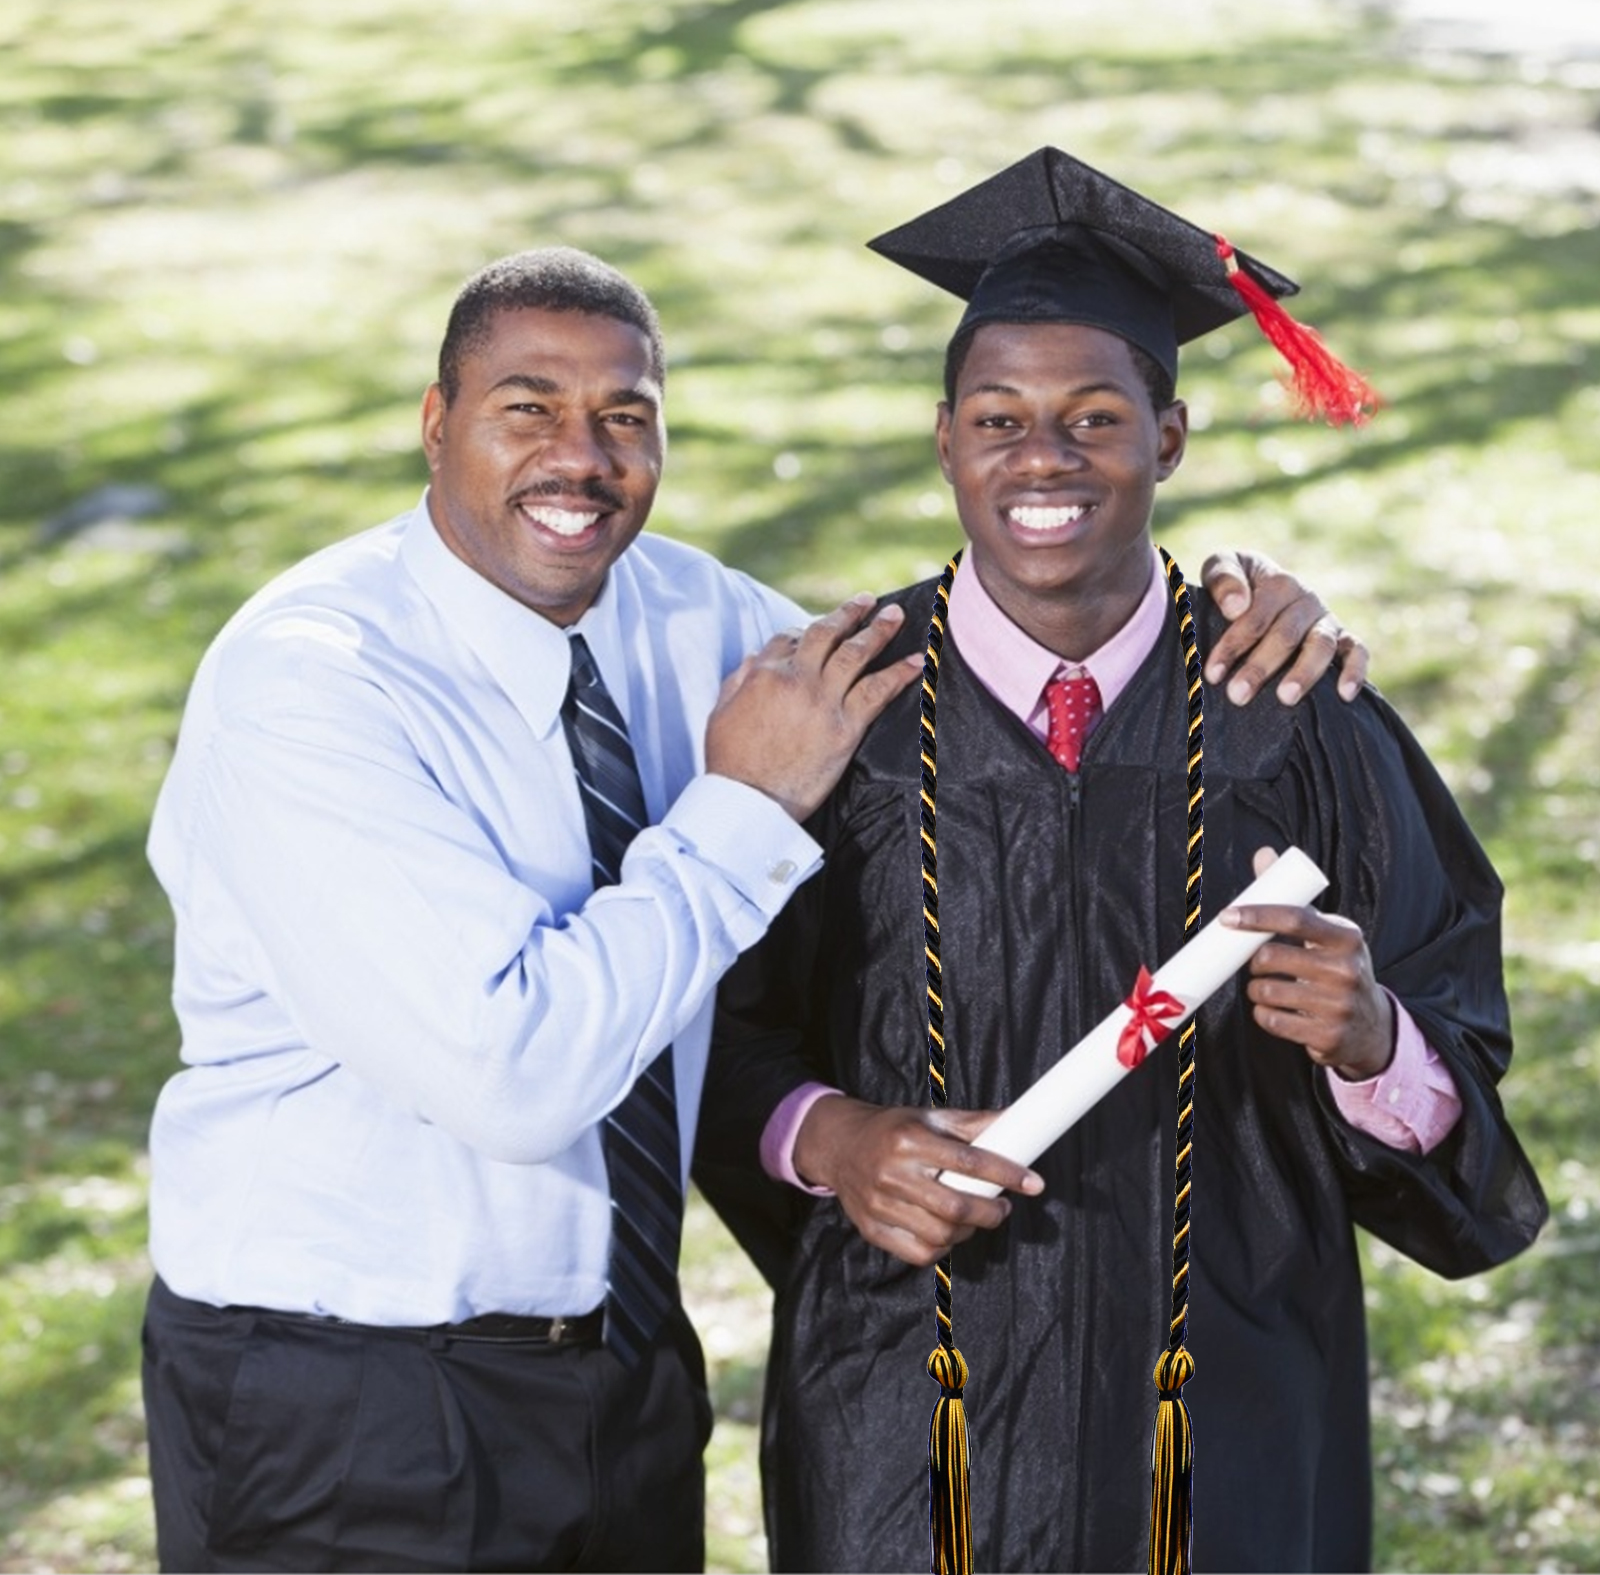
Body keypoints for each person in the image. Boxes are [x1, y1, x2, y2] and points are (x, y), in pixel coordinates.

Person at [141, 242, 1368, 1573]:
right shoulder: (311, 684)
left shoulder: (692, 617)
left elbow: (982, 657)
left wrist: (1221, 607)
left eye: (626, 416)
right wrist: (742, 806)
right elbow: (515, 1077)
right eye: (527, 408)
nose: (580, 457)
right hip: (337, 1395)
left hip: (616, 1381)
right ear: (437, 423)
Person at [699, 149, 1547, 1573]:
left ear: (1172, 435)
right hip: (909, 1402)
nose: (1044, 457)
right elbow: (701, 1030)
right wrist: (834, 1140)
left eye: (1096, 417)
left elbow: (1452, 1043)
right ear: (945, 440)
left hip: (1229, 1403)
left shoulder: (1297, 713)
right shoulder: (839, 716)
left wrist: (1373, 1040)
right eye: (999, 419)